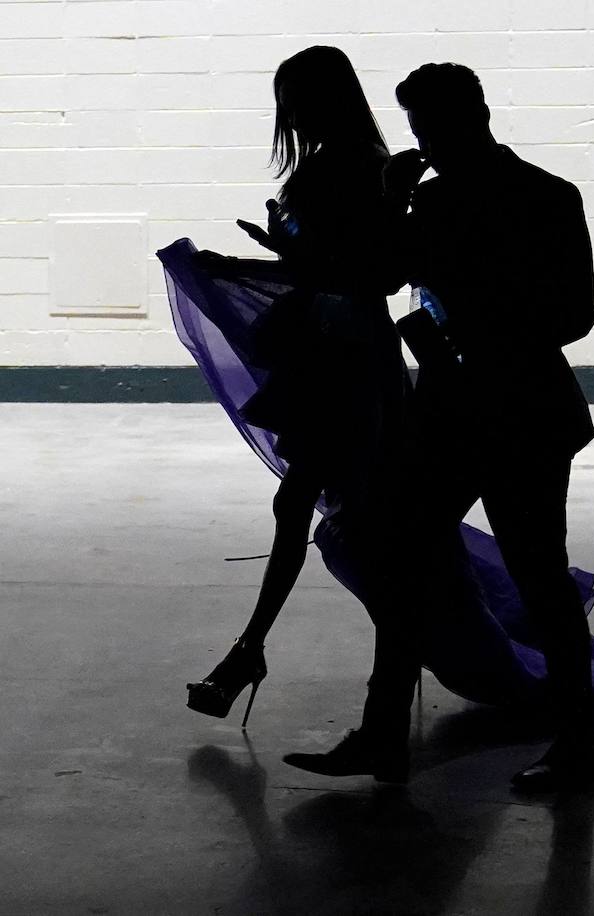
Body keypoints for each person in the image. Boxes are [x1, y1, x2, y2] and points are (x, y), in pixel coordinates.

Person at [283, 62, 594, 792]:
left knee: (511, 572)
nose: (426, 139)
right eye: (419, 127)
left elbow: (571, 314)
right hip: (503, 407)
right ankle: (554, 741)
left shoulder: (476, 201)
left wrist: (473, 321)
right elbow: (386, 275)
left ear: (476, 113)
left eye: (431, 124)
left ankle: (398, 737)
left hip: (484, 407)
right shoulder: (537, 196)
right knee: (486, 569)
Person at [183, 45, 408, 727]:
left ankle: (261, 652)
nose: (288, 115)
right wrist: (276, 253)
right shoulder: (361, 166)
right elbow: (342, 269)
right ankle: (261, 650)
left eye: (294, 100)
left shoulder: (361, 169)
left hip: (345, 355)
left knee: (328, 507)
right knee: (327, 506)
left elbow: (367, 273)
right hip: (336, 349)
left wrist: (280, 253)